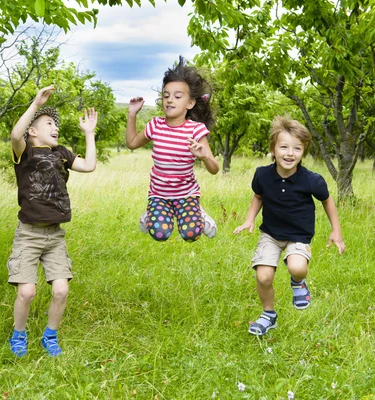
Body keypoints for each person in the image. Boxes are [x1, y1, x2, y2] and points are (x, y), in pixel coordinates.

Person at [233, 116, 346, 336]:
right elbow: (258, 196)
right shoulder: (262, 175)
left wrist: (336, 231)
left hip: (298, 235)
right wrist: (249, 220)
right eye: (283, 147)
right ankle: (268, 315)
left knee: (297, 267)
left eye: (297, 148)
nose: (289, 153)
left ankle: (298, 283)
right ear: (273, 149)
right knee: (263, 276)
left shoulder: (312, 180)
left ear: (303, 152)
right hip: (271, 234)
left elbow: (327, 200)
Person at [7, 85, 97, 357]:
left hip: (54, 236)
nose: (54, 127)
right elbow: (14, 133)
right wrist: (36, 105)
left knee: (61, 290)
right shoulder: (25, 153)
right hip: (29, 234)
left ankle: (50, 335)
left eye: (55, 124)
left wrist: (89, 134)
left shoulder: (62, 153)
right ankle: (18, 335)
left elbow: (89, 165)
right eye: (48, 124)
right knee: (27, 292)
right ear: (32, 131)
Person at [126, 56, 219, 242]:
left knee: (191, 234)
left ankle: (198, 212)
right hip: (159, 195)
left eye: (177, 96)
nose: (169, 100)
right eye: (166, 96)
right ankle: (151, 213)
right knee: (160, 234)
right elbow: (132, 143)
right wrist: (132, 114)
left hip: (187, 194)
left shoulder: (195, 130)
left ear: (190, 103)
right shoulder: (155, 125)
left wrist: (204, 157)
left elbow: (214, 169)